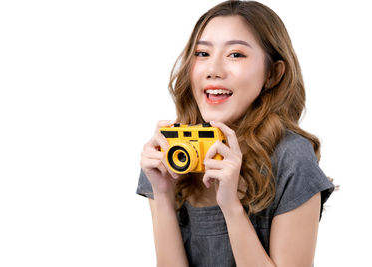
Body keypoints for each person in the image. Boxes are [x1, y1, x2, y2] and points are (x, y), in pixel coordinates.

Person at [137, 1, 335, 266]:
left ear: (273, 74)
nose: (214, 70)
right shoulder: (172, 150)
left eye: (235, 54)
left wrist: (231, 207)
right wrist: (162, 195)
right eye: (202, 53)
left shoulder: (291, 159)